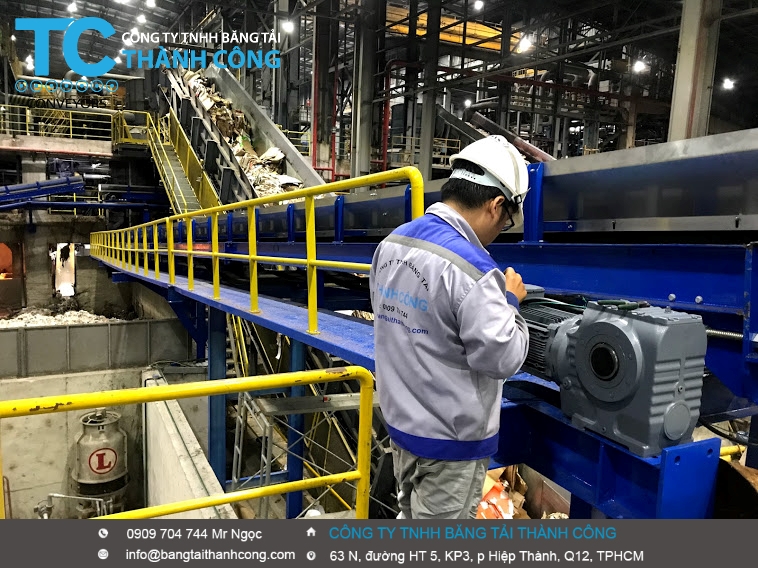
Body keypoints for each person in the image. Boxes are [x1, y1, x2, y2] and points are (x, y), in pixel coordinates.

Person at [369, 135, 531, 519]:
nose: (501, 230)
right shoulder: (475, 269)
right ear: (496, 205)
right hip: (450, 445)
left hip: (401, 428)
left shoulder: (391, 244)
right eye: (506, 221)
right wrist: (510, 302)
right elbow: (502, 358)